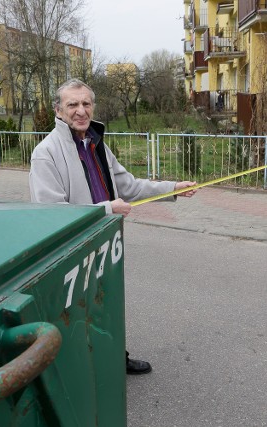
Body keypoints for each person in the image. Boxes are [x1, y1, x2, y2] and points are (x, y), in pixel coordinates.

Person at [29, 78, 196, 375]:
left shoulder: (96, 145)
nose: (81, 111)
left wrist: (172, 188)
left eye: (86, 103)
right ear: (58, 110)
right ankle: (77, 371)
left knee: (106, 303)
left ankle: (114, 356)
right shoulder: (47, 153)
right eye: (72, 104)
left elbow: (128, 186)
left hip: (105, 242)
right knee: (76, 311)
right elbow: (51, 213)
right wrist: (107, 208)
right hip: (72, 250)